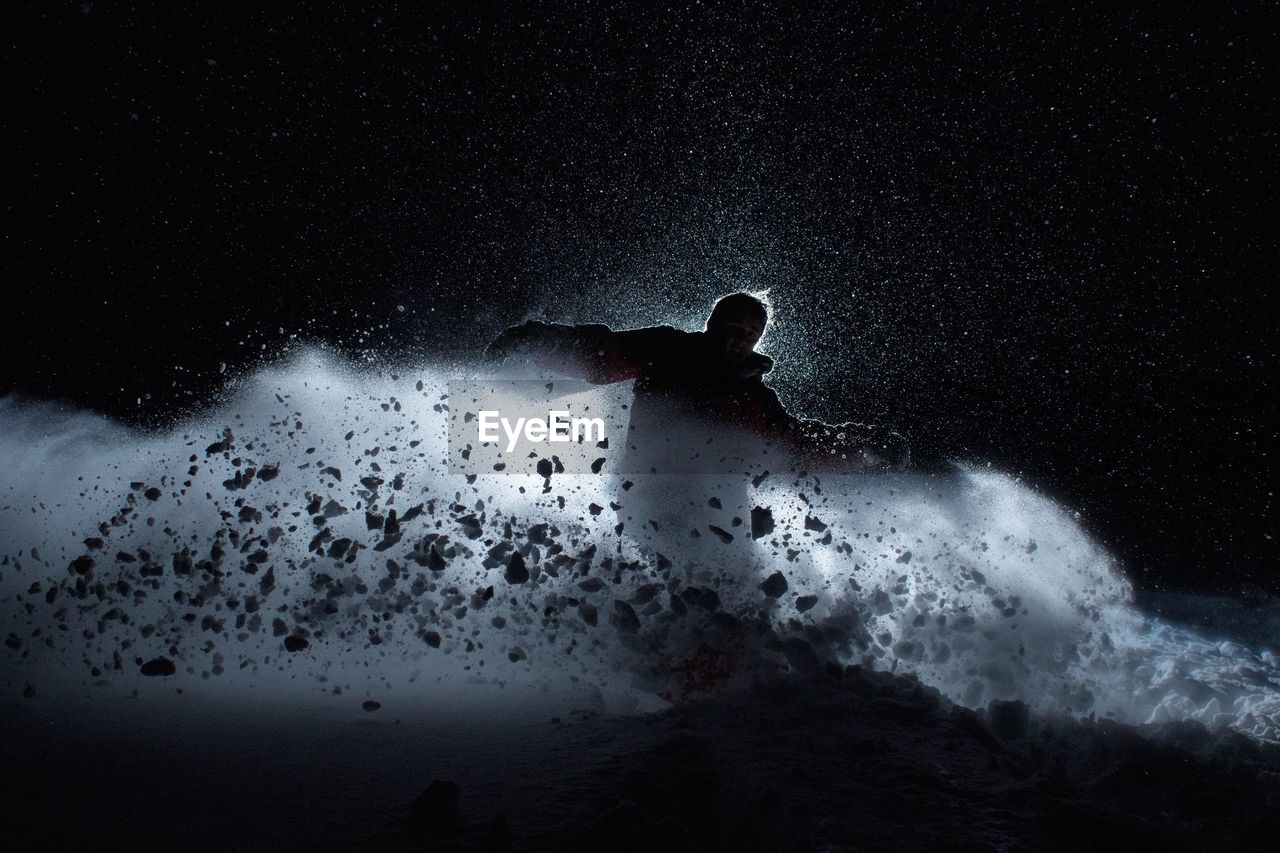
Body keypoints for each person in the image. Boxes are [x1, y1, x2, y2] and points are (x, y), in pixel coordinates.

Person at [484, 292, 909, 472]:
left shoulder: (753, 396)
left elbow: (794, 444)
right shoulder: (672, 350)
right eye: (731, 327)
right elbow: (600, 355)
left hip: (719, 508)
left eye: (749, 334)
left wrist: (861, 444)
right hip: (649, 492)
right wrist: (533, 339)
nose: (737, 339)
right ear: (712, 324)